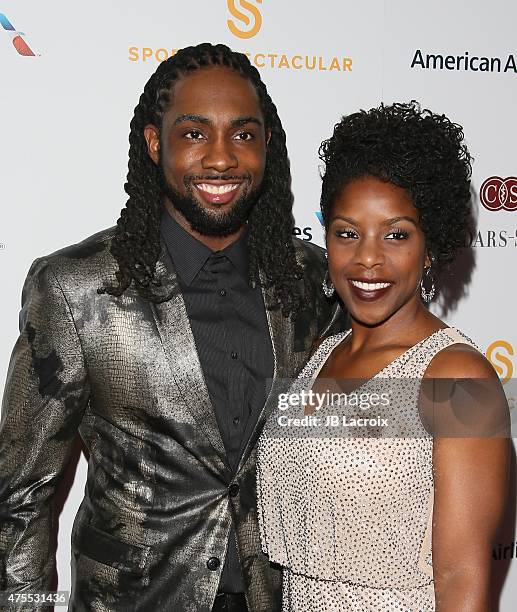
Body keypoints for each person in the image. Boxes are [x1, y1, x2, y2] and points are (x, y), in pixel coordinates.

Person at [0, 43, 344, 612]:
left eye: (243, 134)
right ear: (155, 144)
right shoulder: (75, 289)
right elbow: (20, 498)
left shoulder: (310, 282)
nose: (221, 159)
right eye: (193, 134)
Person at [256, 102, 510, 611]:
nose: (368, 258)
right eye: (347, 232)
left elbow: (462, 577)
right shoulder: (318, 359)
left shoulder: (458, 376)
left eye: (396, 234)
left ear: (430, 245)